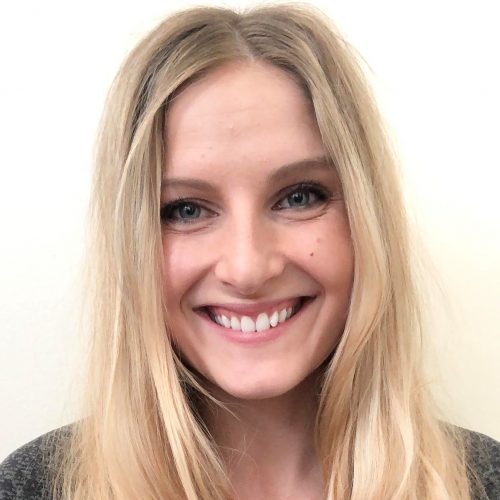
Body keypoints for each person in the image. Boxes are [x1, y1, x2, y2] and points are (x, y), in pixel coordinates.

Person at [1, 4, 499, 499]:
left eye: (299, 197)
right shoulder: (32, 488)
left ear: (367, 219)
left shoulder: (484, 480)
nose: (247, 268)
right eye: (186, 210)